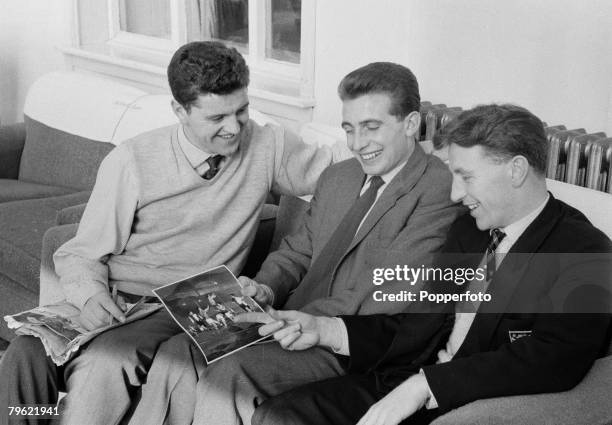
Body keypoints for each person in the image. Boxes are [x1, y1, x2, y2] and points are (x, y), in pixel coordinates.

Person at [0, 41, 335, 425]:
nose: (234, 127)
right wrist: (91, 297)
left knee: (105, 362)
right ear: (180, 111)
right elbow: (81, 252)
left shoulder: (267, 144)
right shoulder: (132, 161)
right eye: (217, 118)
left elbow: (339, 166)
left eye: (241, 111)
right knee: (24, 354)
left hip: (187, 303)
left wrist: (408, 138)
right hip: (117, 298)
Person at [127, 62, 461, 425]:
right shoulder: (338, 176)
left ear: (410, 124)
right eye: (349, 129)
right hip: (286, 318)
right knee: (178, 351)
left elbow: (389, 288)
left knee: (229, 372)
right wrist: (264, 289)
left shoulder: (440, 190)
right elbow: (297, 250)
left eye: (371, 127)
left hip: (346, 339)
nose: (357, 143)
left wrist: (296, 322)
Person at [246, 104, 612, 425]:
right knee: (278, 416)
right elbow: (420, 324)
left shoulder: (587, 251)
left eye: (466, 177)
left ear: (516, 170)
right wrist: (326, 330)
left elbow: (552, 360)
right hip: (407, 379)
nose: (455, 194)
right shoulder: (470, 230)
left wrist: (427, 386)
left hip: (469, 402)